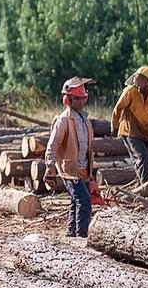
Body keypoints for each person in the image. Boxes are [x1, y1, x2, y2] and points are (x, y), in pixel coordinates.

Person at [45, 77, 95, 237]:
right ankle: (81, 237)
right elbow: (52, 145)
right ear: (68, 99)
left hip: (83, 169)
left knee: (76, 202)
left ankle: (71, 233)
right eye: (78, 99)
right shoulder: (63, 120)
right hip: (69, 170)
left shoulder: (84, 119)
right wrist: (50, 167)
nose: (82, 102)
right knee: (84, 202)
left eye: (83, 98)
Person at [111, 66, 148, 183]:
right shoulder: (130, 92)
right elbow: (117, 109)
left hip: (144, 133)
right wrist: (114, 126)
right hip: (129, 131)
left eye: (141, 81)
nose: (138, 84)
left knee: (142, 161)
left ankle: (140, 185)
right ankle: (145, 189)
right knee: (143, 158)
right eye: (137, 80)